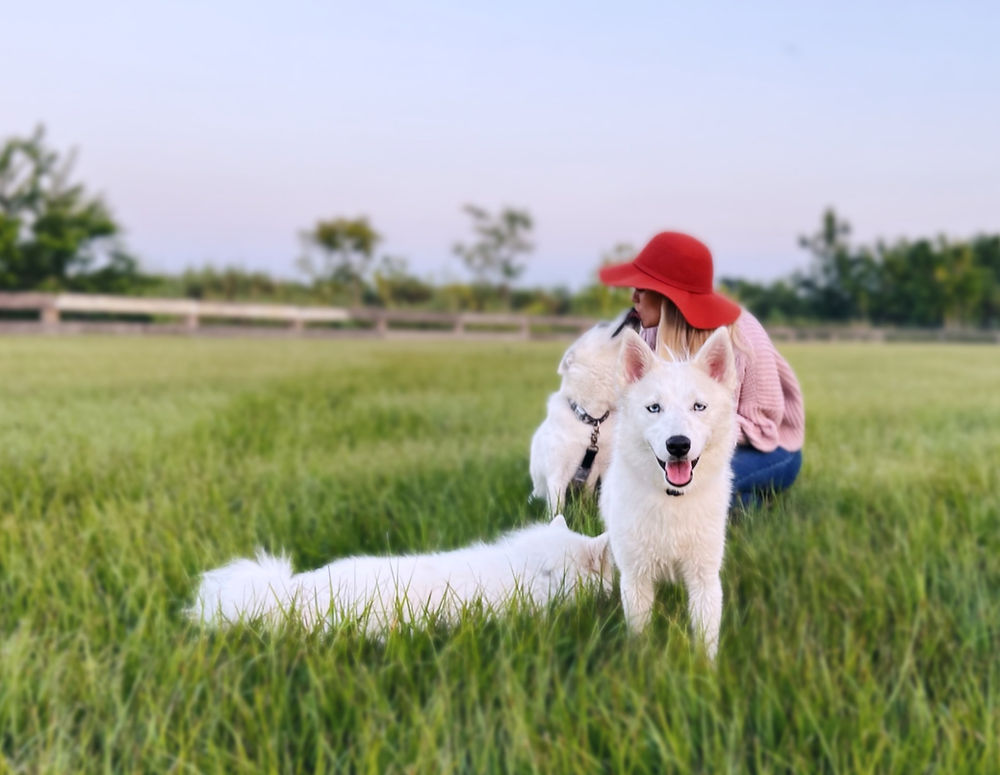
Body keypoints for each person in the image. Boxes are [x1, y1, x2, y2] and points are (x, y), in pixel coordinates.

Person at [600, 231, 805, 507]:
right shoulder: (648, 335)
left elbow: (764, 427)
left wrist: (698, 422)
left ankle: (746, 503)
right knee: (635, 487)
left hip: (767, 448)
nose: (633, 296)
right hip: (683, 443)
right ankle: (743, 499)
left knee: (684, 495)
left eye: (643, 288)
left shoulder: (741, 335)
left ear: (668, 298)